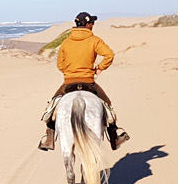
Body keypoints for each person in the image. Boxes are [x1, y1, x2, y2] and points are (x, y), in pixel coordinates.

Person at [39, 12, 130, 152]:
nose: (93, 25)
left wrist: (70, 72)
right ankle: (115, 137)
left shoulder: (66, 42)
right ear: (87, 24)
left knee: (51, 108)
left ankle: (49, 138)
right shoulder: (95, 40)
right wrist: (99, 68)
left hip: (68, 83)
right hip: (89, 82)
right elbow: (109, 55)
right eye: (92, 23)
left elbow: (60, 65)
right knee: (108, 106)